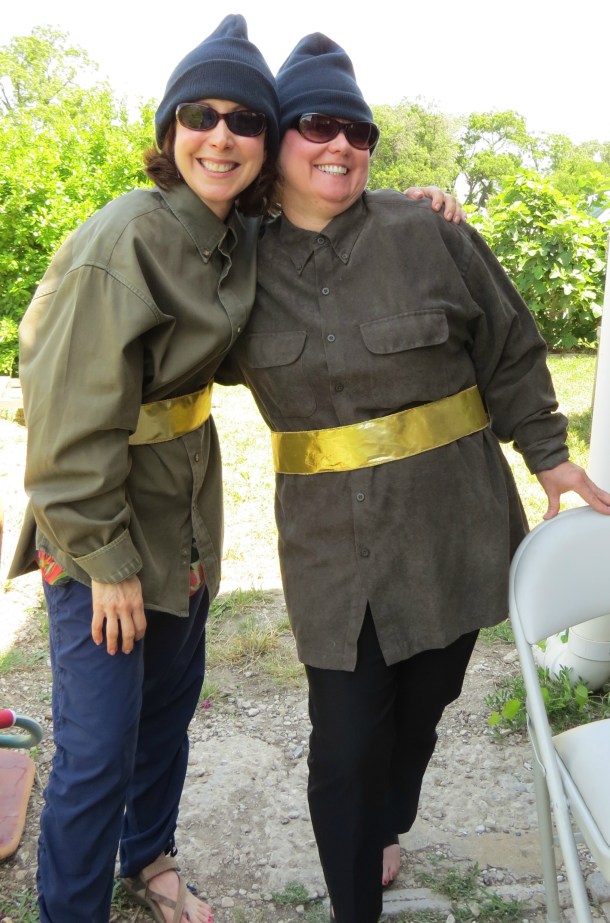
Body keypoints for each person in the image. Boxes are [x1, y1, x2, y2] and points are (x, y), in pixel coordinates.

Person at [216, 32, 610, 923]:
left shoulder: (429, 231)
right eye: (318, 124)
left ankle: (388, 821)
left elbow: (508, 349)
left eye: (359, 131)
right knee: (345, 741)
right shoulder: (229, 258)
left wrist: (550, 458)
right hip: (330, 543)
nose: (341, 145)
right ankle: (355, 901)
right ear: (277, 138)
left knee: (426, 703)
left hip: (452, 524)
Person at [7, 15, 280, 923]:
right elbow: (64, 422)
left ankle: (149, 858)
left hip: (186, 509)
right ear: (170, 130)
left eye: (245, 120)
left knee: (167, 707)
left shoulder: (236, 234)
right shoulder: (124, 237)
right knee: (95, 744)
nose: (222, 134)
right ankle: (71, 909)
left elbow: (333, 209)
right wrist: (106, 562)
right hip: (104, 526)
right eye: (200, 113)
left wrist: (420, 198)